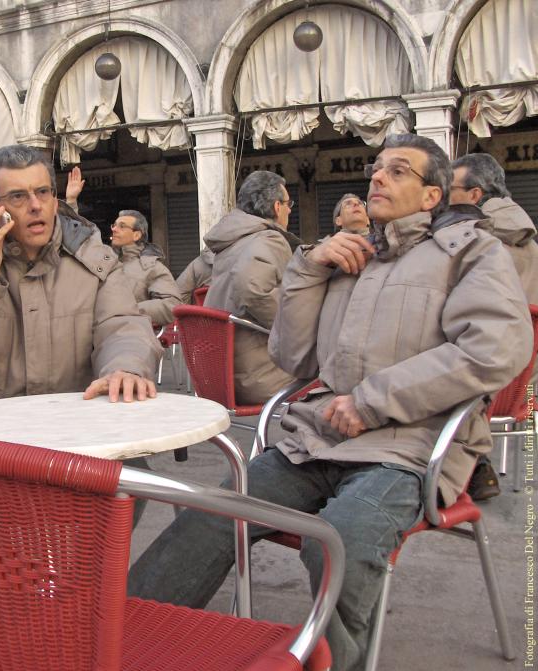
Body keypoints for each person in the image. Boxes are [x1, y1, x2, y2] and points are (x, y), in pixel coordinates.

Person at [128, 133, 532, 671]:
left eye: (397, 171)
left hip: (409, 448)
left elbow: (497, 347)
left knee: (338, 541)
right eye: (376, 168)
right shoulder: (351, 255)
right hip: (318, 439)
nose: (377, 178)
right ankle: (121, 640)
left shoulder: (473, 252)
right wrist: (306, 271)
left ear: (433, 196)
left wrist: (372, 401)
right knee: (210, 514)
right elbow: (293, 357)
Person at [0, 144, 161, 404]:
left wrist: (124, 368)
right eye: (18, 197)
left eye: (43, 192)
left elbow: (122, 326)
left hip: (77, 424)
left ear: (55, 199)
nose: (35, 206)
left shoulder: (96, 262)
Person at [450, 152, 538, 499]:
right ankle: (478, 465)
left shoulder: (471, 241)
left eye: (450, 188)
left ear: (474, 195)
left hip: (480, 388)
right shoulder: (531, 242)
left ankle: (461, 464)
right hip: (522, 388)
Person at [202, 170, 296, 404]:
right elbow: (251, 289)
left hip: (221, 375)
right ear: (276, 207)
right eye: (288, 203)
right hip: (259, 377)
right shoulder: (269, 239)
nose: (290, 209)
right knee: (337, 377)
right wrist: (293, 328)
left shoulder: (232, 241)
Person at [109, 209, 182, 325]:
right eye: (114, 225)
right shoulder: (105, 263)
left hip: (129, 335)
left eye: (122, 226)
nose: (114, 229)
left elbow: (171, 305)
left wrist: (129, 310)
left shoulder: (152, 267)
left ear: (136, 235)